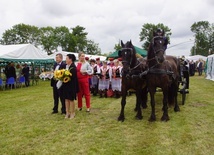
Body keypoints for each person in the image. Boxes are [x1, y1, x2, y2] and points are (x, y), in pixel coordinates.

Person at [62, 54, 79, 119]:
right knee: (66, 99)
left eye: (66, 58)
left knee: (71, 99)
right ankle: (67, 112)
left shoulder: (73, 67)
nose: (65, 60)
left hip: (71, 86)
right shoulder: (66, 66)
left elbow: (72, 77)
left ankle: (72, 112)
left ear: (70, 59)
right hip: (65, 85)